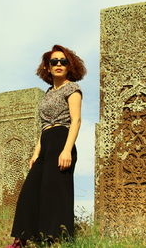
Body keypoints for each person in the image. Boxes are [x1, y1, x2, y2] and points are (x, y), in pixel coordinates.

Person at [6, 44, 86, 247]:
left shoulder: (73, 89)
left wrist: (67, 149)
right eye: (54, 62)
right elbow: (43, 126)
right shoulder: (49, 92)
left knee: (55, 192)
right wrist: (35, 153)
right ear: (47, 68)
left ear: (70, 66)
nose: (58, 64)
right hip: (46, 141)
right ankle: (22, 238)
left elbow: (76, 121)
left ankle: (53, 239)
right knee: (30, 191)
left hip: (62, 139)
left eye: (63, 61)